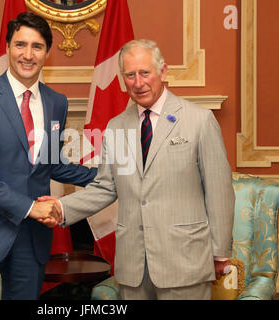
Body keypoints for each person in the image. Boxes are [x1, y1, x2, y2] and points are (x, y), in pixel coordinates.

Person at [43, 39, 235, 300]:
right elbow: (106, 186)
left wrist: (220, 252)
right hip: (133, 266)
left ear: (163, 72)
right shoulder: (116, 126)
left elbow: (219, 191)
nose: (138, 82)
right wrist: (61, 208)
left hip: (185, 262)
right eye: (130, 75)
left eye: (145, 72)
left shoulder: (199, 121)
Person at [0, 12, 97, 300]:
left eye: (37, 46)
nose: (27, 55)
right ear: (8, 48)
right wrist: (31, 207)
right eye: (20, 45)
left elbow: (51, 163)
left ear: (47, 52)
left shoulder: (57, 102)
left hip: (32, 240)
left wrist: (106, 175)